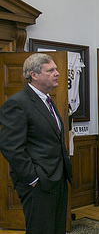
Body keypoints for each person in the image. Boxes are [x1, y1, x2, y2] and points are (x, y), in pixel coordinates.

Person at [0, 53, 72, 234]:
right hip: (39, 183)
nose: (57, 73)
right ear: (34, 75)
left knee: (57, 229)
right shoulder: (18, 103)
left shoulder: (48, 100)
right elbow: (11, 147)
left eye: (56, 69)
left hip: (58, 179)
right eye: (51, 70)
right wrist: (33, 179)